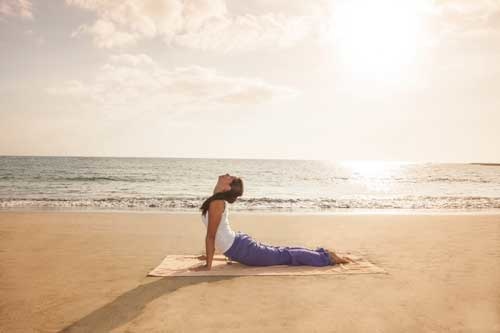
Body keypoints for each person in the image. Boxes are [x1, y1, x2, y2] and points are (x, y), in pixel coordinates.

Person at [191, 174, 352, 271]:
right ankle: (323, 253)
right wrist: (209, 255)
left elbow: (211, 236)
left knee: (284, 255)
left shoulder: (217, 202)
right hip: (237, 246)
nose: (227, 174)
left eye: (230, 177)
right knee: (282, 252)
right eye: (230, 177)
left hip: (241, 249)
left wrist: (208, 265)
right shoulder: (216, 199)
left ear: (226, 188)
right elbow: (216, 234)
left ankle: (327, 258)